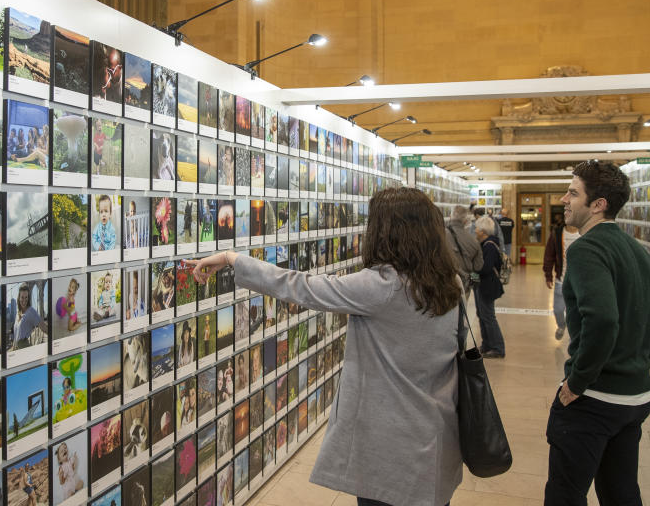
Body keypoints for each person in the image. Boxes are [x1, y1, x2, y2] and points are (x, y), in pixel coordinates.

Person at [188, 187, 462, 506]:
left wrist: (231, 258)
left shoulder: (382, 286)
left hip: (392, 452)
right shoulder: (448, 282)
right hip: (437, 439)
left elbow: (302, 288)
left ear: (385, 232)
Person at [545, 161, 650, 506]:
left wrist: (577, 381)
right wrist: (637, 361)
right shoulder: (633, 249)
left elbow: (603, 321)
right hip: (635, 399)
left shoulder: (586, 249)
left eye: (573, 192)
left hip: (595, 400)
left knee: (565, 494)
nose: (564, 199)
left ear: (598, 204)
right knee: (620, 492)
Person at [474, 216, 506, 359]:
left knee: (488, 317)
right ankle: (486, 345)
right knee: (483, 315)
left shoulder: (489, 246)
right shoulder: (487, 244)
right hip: (485, 284)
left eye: (476, 228)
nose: (475, 231)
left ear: (483, 231)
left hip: (488, 285)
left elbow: (486, 268)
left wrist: (474, 268)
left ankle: (498, 348)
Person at [544, 220, 580, 340]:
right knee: (558, 309)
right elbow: (549, 255)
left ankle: (573, 340)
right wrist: (548, 275)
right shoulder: (557, 233)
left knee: (576, 313)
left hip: (580, 282)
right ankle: (561, 325)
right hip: (562, 280)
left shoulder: (584, 232)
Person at [446, 205, 483, 294]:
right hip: (464, 284)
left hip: (445, 283)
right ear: (465, 221)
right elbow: (478, 266)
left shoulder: (440, 235)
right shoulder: (473, 241)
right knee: (462, 306)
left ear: (450, 217)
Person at [13, 283, 47, 349]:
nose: (24, 300)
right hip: (16, 349)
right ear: (19, 298)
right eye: (22, 297)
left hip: (24, 347)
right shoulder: (17, 313)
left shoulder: (31, 311)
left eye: (26, 297)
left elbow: (43, 327)